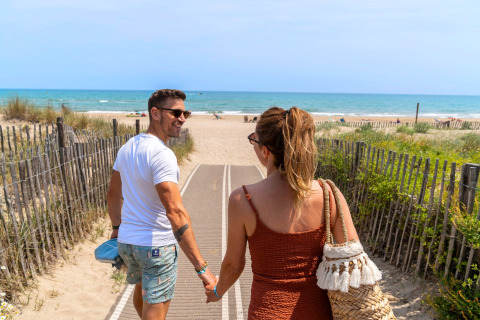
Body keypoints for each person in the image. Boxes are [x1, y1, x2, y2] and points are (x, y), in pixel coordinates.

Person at [204, 107, 359, 319]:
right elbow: (352, 258)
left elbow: (233, 265)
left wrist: (217, 291)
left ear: (265, 150)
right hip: (319, 311)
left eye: (254, 140)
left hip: (267, 310)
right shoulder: (328, 193)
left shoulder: (243, 199)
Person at [107, 89, 215, 320]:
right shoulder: (161, 154)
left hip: (128, 244)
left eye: (185, 113)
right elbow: (175, 212)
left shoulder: (127, 148)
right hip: (156, 246)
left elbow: (113, 194)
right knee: (155, 310)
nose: (182, 118)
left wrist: (117, 229)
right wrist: (202, 268)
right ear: (155, 113)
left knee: (142, 290)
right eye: (175, 112)